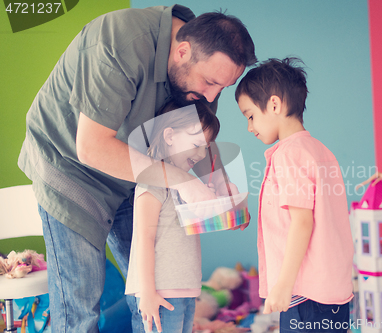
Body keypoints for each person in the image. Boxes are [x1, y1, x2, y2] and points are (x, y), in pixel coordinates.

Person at [17, 4, 256, 332]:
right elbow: (93, 148)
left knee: (157, 290)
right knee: (81, 303)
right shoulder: (118, 42)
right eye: (211, 82)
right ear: (182, 51)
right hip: (71, 166)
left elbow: (197, 132)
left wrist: (220, 186)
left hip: (137, 171)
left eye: (222, 88)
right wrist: (183, 181)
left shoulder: (199, 67)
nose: (212, 95)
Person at [235, 58, 354, 332]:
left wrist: (283, 285)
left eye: (250, 115)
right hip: (331, 292)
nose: (250, 127)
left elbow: (302, 222)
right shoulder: (320, 151)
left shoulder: (289, 154)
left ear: (274, 105)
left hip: (305, 294)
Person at [125, 101, 220, 333]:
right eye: (197, 144)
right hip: (161, 291)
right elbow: (143, 238)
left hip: (186, 290)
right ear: (169, 136)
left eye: (205, 147)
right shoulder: (153, 179)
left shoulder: (185, 185)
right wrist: (147, 292)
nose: (201, 154)